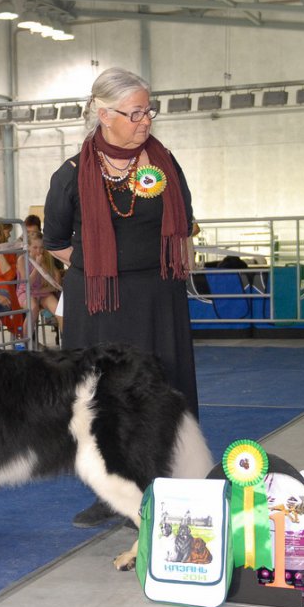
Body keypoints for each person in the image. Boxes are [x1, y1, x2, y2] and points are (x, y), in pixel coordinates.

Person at [43, 67, 199, 527]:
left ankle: (170, 484)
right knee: (101, 397)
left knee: (163, 391)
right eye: (133, 114)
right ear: (102, 113)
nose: (144, 121)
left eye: (147, 111)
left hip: (157, 297)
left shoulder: (164, 164)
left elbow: (185, 223)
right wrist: (101, 270)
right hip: (99, 302)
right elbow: (55, 241)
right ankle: (109, 492)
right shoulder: (71, 174)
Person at [17, 231, 62, 333]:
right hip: (26, 292)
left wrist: (43, 265)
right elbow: (27, 283)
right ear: (28, 247)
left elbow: (54, 284)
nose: (39, 251)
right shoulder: (22, 259)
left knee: (59, 310)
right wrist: (37, 266)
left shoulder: (45, 260)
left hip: (42, 292)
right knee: (33, 309)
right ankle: (27, 342)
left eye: (41, 247)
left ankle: (67, 341)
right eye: (35, 247)